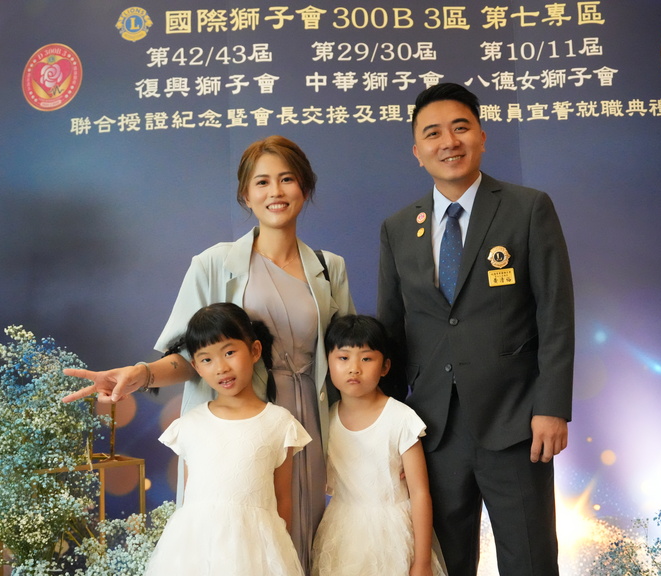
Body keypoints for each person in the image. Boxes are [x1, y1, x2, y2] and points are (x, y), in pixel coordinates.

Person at [62, 135, 355, 572]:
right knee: (235, 545)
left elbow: (347, 360)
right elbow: (188, 356)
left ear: (305, 187)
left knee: (300, 539)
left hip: (306, 422)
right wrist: (139, 374)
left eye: (287, 179)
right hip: (235, 430)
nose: (275, 192)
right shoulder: (213, 264)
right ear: (245, 195)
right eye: (262, 182)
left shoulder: (330, 268)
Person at [377, 83, 575, 575]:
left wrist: (551, 407)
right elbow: (391, 331)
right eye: (433, 133)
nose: (449, 142)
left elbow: (555, 314)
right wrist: (388, 428)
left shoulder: (528, 208)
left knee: (530, 560)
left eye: (460, 128)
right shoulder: (398, 228)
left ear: (482, 136)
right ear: (417, 151)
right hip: (432, 429)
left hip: (516, 422)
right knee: (446, 563)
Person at [144, 303, 311, 575]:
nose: (221, 367)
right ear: (196, 366)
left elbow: (283, 500)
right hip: (196, 554)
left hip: (256, 555)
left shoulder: (279, 423)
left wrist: (277, 555)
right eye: (206, 359)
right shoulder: (190, 425)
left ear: (254, 350)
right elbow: (189, 502)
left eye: (230, 352)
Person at [311, 315, 446, 576]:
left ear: (385, 367)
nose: (354, 368)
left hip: (393, 535)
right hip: (342, 534)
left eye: (366, 359)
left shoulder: (401, 418)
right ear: (327, 362)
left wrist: (422, 562)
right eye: (343, 358)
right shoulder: (327, 418)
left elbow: (420, 493)